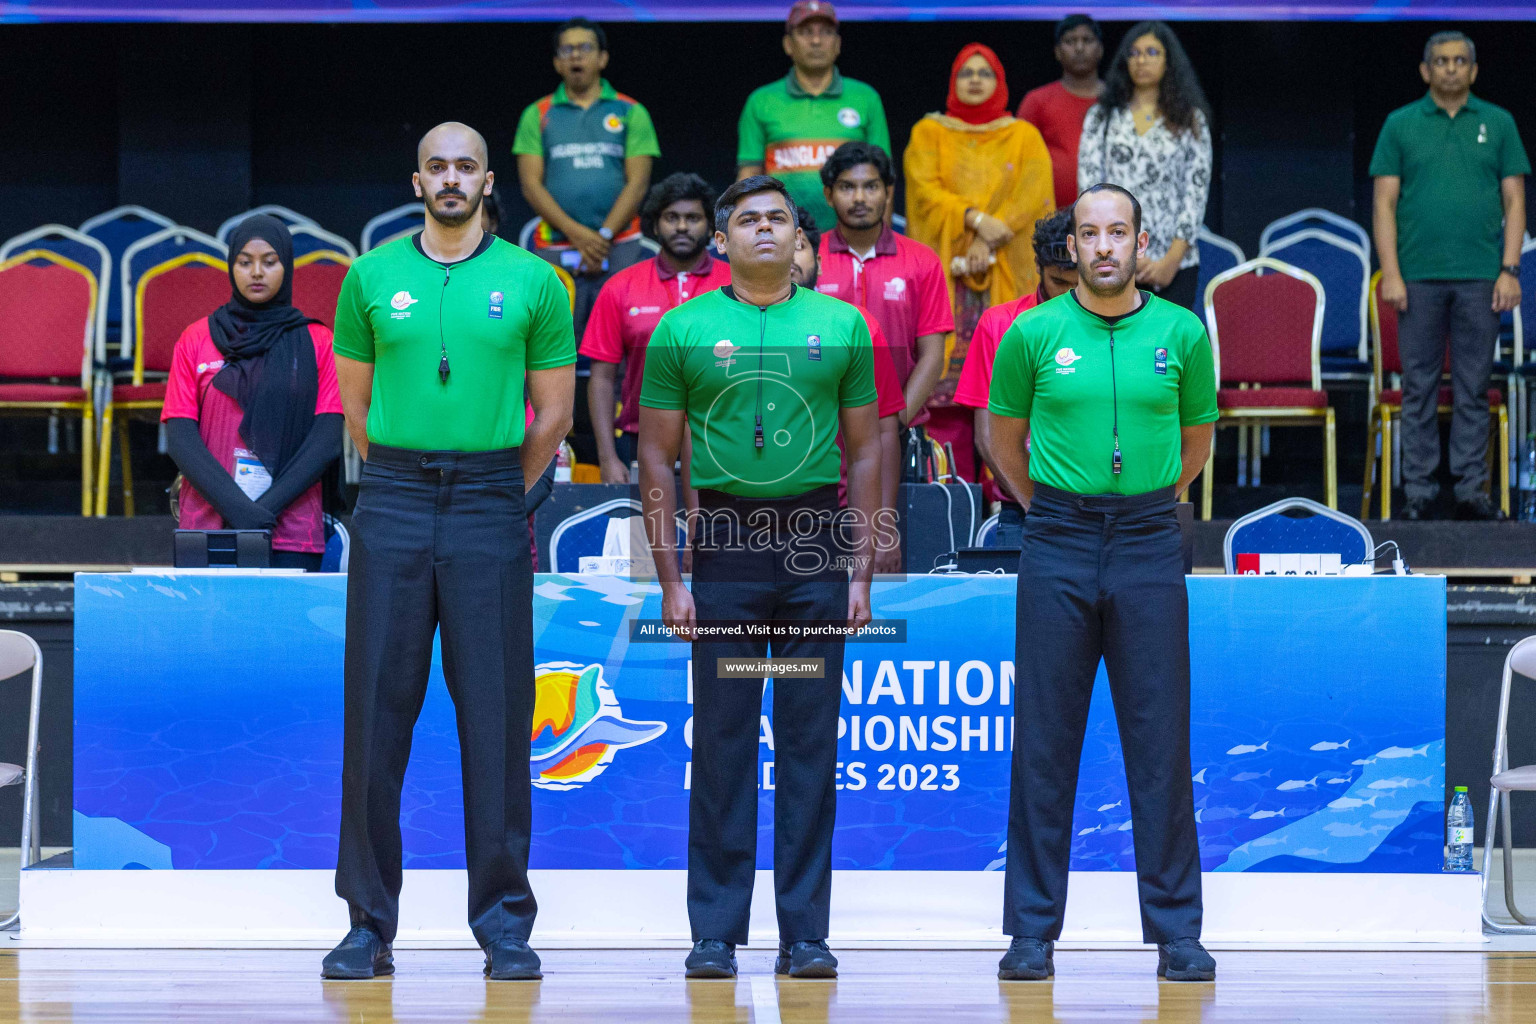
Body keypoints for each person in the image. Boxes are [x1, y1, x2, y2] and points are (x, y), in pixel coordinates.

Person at [323, 122, 576, 982]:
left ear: (489, 180)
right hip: (392, 498)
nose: (452, 178)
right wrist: (408, 465)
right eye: (437, 165)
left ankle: (504, 923)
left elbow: (552, 418)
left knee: (498, 718)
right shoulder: (370, 275)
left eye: (466, 165)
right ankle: (367, 924)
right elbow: (358, 413)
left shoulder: (535, 281)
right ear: (419, 178)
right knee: (375, 717)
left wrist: (495, 485)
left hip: (488, 502)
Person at [638, 175, 879, 980]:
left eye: (780, 218)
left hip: (814, 544)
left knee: (811, 740)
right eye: (749, 219)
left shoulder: (843, 325)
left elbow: (869, 449)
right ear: (722, 239)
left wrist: (862, 567)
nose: (766, 229)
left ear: (800, 238)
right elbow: (655, 454)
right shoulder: (683, 328)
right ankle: (715, 930)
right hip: (728, 549)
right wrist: (671, 577)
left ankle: (805, 934)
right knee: (725, 738)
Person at [986, 184, 1216, 983]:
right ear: (1072, 248)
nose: (1106, 246)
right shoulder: (1034, 332)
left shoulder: (1182, 331)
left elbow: (1196, 440)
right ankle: (1031, 934)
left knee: (1160, 742)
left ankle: (1177, 933)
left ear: (1140, 241)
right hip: (1057, 538)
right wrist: (1055, 507)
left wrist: (1144, 499)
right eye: (1091, 233)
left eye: (1120, 232)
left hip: (1151, 539)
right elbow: (1001, 437)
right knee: (1045, 743)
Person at [1370, 30, 1527, 521]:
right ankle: (1417, 492)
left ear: (1474, 71)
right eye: (1441, 61)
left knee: (1473, 387)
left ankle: (1470, 491)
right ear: (1425, 70)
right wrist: (1390, 273)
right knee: (1417, 387)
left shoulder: (1499, 123)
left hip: (1482, 278)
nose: (1451, 68)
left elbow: (1515, 200)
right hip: (1416, 279)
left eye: (1460, 61)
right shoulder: (1400, 124)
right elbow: (1383, 202)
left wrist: (1509, 269)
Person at [904, 43, 1053, 480]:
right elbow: (924, 192)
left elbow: (1033, 196)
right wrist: (976, 221)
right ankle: (955, 499)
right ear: (953, 82)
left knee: (1006, 399)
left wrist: (989, 241)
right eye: (965, 72)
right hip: (948, 281)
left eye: (984, 73)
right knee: (946, 396)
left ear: (999, 83)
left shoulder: (1023, 136)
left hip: (1005, 273)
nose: (974, 79)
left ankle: (1006, 495)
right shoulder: (928, 133)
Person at [161, 214, 344, 572]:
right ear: (231, 267)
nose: (256, 272)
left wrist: (265, 511)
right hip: (209, 526)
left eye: (269, 262)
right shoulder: (196, 339)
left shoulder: (318, 342)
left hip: (290, 527)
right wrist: (239, 509)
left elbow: (326, 440)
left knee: (287, 629)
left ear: (287, 266)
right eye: (245, 262)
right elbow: (181, 437)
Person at [514, 17, 660, 336]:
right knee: (551, 342)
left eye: (584, 48)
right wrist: (578, 234)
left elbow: (637, 184)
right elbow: (530, 184)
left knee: (623, 342)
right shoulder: (537, 113)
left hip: (619, 244)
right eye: (567, 49)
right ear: (556, 62)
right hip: (557, 243)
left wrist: (603, 237)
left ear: (603, 58)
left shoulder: (631, 111)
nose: (576, 56)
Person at [581, 173, 730, 483]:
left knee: (717, 531)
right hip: (639, 440)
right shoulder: (621, 286)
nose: (681, 227)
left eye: (693, 218)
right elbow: (602, 380)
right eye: (671, 217)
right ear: (655, 223)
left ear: (711, 226)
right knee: (644, 532)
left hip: (723, 438)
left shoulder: (735, 283)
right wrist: (607, 458)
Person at [953, 207, 1079, 546]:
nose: (1070, 296)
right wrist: (1037, 508)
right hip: (1025, 513)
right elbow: (988, 438)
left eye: (1079, 285)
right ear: (1038, 268)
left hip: (1102, 513)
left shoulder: (1117, 328)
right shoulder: (998, 325)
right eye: (1059, 282)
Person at [792, 201, 907, 572]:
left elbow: (885, 431)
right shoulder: (719, 328)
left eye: (800, 246)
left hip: (835, 514)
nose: (789, 257)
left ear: (819, 263)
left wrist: (882, 527)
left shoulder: (855, 327)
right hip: (741, 519)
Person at [815, 141, 951, 451]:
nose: (860, 198)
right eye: (847, 187)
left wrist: (895, 422)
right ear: (828, 195)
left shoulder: (922, 260)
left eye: (871, 187)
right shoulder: (808, 257)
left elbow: (932, 356)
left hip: (901, 428)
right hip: (821, 431)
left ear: (888, 192)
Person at [1077, 21, 1211, 311]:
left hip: (1174, 264)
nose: (1141, 60)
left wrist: (1169, 263)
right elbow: (1088, 190)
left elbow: (1196, 194)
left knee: (1166, 352)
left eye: (1152, 52)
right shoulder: (1102, 116)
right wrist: (1120, 257)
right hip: (1109, 258)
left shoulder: (1191, 120)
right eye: (1134, 53)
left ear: (1168, 61)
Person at [737, 0, 891, 231]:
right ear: (788, 44)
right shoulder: (762, 101)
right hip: (783, 238)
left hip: (852, 237)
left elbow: (884, 176)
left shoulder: (866, 97)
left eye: (826, 32)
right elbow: (749, 177)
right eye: (806, 32)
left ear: (838, 44)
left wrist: (883, 239)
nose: (816, 40)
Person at [1018, 14, 1104, 213]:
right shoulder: (1036, 101)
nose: (1079, 48)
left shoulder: (1118, 101)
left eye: (1087, 40)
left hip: (1109, 218)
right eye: (1070, 41)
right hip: (1049, 217)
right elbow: (1017, 162)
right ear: (1057, 52)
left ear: (1100, 50)